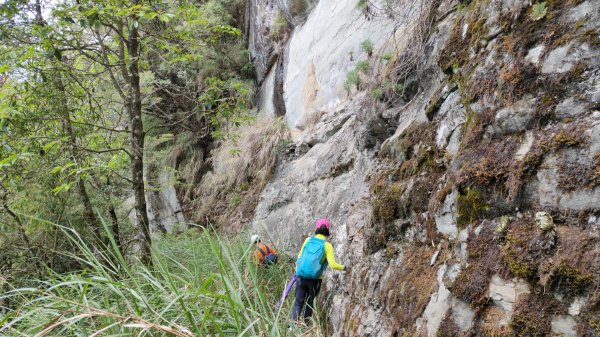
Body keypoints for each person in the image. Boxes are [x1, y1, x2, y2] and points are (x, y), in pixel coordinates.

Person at [291, 218, 347, 322]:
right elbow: (333, 265)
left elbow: (299, 257)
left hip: (301, 276)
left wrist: (297, 271)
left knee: (298, 302)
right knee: (309, 303)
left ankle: (292, 327)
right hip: (314, 280)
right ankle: (306, 326)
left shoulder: (308, 240)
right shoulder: (327, 246)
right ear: (328, 230)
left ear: (316, 228)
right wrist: (344, 267)